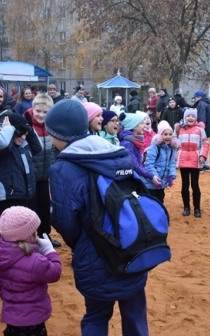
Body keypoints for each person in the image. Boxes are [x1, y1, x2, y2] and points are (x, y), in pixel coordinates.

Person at [46, 100, 150, 335]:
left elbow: (66, 222)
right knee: (135, 313)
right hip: (132, 244)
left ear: (57, 134)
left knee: (96, 316)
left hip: (95, 253)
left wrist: (82, 245)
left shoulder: (62, 169)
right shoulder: (116, 152)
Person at [0, 206, 62, 336]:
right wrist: (50, 251)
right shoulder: (35, 261)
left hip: (11, 316)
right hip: (34, 318)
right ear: (28, 235)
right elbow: (55, 273)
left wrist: (9, 298)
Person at [0, 114, 41, 230]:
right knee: (8, 230)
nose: (24, 138)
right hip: (8, 195)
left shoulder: (24, 147)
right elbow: (2, 142)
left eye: (26, 135)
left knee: (22, 229)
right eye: (21, 133)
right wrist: (8, 128)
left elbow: (38, 146)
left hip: (23, 193)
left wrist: (27, 128)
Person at [24, 94, 62, 248]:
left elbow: (53, 150)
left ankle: (45, 235)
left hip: (45, 174)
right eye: (38, 111)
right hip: (31, 175)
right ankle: (31, 239)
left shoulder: (51, 126)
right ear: (33, 109)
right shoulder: (26, 125)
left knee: (45, 207)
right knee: (31, 208)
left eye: (45, 112)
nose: (41, 115)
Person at [175, 108, 209, 218]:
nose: (191, 118)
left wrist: (203, 155)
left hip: (195, 158)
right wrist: (175, 156)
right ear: (185, 117)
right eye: (188, 116)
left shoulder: (200, 129)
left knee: (195, 185)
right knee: (185, 184)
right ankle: (186, 207)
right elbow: (173, 142)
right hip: (183, 158)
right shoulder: (179, 129)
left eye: (193, 116)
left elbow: (205, 143)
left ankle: (197, 208)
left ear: (196, 118)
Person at [119, 112, 161, 186]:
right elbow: (135, 166)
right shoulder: (128, 144)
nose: (144, 126)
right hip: (129, 182)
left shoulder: (134, 141)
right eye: (141, 123)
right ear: (134, 126)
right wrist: (151, 176)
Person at [144, 120, 178, 204]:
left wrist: (171, 175)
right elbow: (149, 164)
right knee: (151, 203)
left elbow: (172, 163)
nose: (168, 137)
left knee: (160, 201)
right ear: (160, 135)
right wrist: (155, 177)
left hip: (161, 183)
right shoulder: (154, 147)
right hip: (151, 182)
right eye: (165, 134)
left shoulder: (170, 148)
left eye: (170, 134)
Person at [192, 90, 210, 172]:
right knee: (204, 146)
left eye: (195, 97)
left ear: (199, 97)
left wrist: (200, 128)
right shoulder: (205, 103)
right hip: (206, 128)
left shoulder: (201, 104)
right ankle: (206, 165)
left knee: (201, 146)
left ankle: (201, 166)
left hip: (202, 128)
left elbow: (201, 117)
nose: (194, 99)